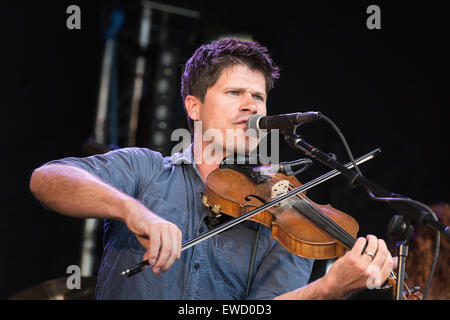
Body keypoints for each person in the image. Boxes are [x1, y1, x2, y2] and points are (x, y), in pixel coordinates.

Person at [29, 38, 395, 299]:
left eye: (259, 97)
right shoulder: (147, 170)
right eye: (235, 93)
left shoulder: (286, 215)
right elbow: (47, 180)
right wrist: (133, 211)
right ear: (194, 107)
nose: (251, 106)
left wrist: (329, 289)